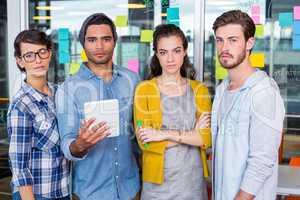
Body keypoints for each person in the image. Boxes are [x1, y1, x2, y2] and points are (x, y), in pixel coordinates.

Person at [55, 13, 140, 200]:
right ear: (83, 44)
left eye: (106, 39)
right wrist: (80, 145)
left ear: (115, 41)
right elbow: (67, 144)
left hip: (131, 189)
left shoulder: (132, 80)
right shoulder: (68, 89)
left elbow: (138, 135)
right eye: (92, 40)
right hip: (90, 193)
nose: (99, 46)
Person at [211, 10, 285, 200]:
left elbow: (262, 161)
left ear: (249, 43)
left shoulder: (264, 92)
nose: (224, 47)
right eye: (219, 40)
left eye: (233, 40)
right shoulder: (221, 90)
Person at [134, 24, 212, 200]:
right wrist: (191, 135)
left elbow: (205, 139)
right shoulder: (144, 90)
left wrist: (161, 134)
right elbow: (145, 142)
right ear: (156, 54)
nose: (170, 59)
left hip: (192, 183)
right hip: (157, 187)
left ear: (185, 51)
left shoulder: (200, 90)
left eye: (176, 51)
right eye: (163, 52)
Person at [7, 30, 70, 200]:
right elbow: (19, 166)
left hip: (62, 190)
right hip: (36, 194)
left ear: (49, 54)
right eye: (29, 55)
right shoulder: (21, 105)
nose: (37, 60)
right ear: (20, 61)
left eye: (42, 52)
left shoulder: (59, 93)